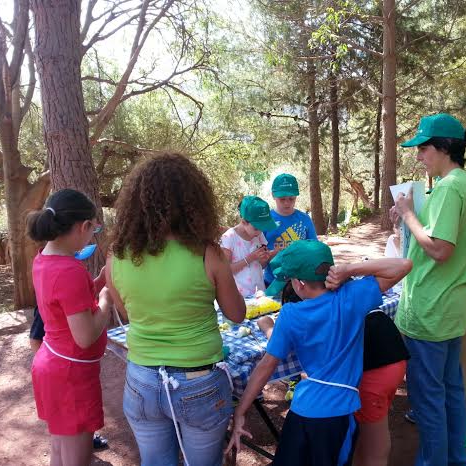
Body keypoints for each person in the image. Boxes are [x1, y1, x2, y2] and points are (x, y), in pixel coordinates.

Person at [104, 153, 245, 466]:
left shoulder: (117, 258)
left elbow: (127, 315)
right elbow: (237, 315)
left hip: (141, 379)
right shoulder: (210, 254)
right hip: (199, 381)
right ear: (195, 201)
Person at [226, 240, 412, 466]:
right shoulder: (351, 297)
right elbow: (404, 265)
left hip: (303, 410)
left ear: (300, 283)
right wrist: (350, 269)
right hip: (339, 414)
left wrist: (241, 411)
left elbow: (265, 366)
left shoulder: (290, 314)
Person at [393, 113, 466, 466]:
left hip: (432, 310)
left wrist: (408, 214)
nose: (419, 155)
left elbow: (439, 249)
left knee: (429, 398)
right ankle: (456, 459)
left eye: (423, 148)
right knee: (450, 393)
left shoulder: (449, 186)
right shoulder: (465, 184)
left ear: (444, 148)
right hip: (452, 307)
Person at [27, 189, 112, 466]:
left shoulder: (43, 260)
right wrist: (105, 300)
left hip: (52, 365)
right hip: (71, 375)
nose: (93, 236)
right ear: (83, 226)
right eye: (94, 229)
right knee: (76, 459)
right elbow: (86, 335)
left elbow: (64, 304)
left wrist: (97, 281)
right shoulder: (70, 271)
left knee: (60, 450)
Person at [29, 307, 109, 451]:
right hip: (60, 372)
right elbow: (35, 339)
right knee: (66, 430)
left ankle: (83, 439)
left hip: (79, 368)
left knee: (77, 425)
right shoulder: (53, 296)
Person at [263, 173, 318, 288]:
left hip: (300, 284)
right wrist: (275, 253)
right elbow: (258, 259)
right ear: (273, 195)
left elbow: (315, 250)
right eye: (282, 199)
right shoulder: (265, 221)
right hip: (271, 282)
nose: (287, 203)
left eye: (291, 198)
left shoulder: (304, 219)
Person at [221, 196, 278, 297]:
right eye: (256, 228)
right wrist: (250, 258)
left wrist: (266, 257)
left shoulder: (259, 235)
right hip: (239, 297)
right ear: (244, 222)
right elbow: (225, 271)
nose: (260, 232)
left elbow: (263, 265)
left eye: (262, 228)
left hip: (259, 294)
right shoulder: (229, 237)